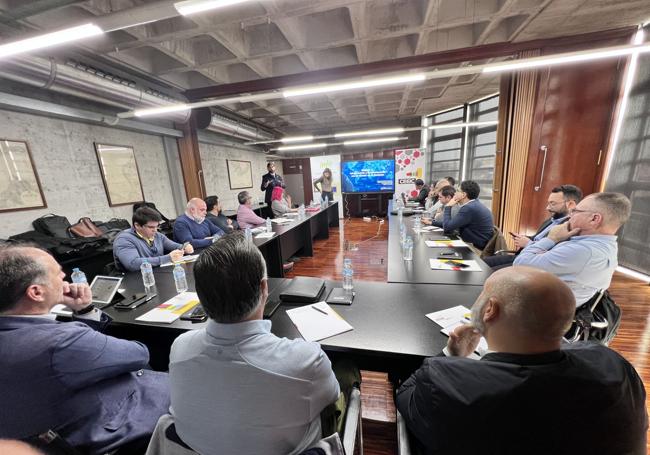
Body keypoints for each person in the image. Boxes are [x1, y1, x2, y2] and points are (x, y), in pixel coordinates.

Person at [396, 266, 647, 455]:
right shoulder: (615, 365)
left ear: (490, 309)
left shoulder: (450, 380)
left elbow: (405, 392)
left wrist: (451, 355)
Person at [168, 234, 341, 454]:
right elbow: (332, 396)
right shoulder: (306, 360)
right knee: (347, 372)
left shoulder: (179, 348)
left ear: (200, 298)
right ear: (264, 288)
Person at [0, 245, 170, 453]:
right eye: (59, 275)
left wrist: (84, 310)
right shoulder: (61, 342)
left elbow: (72, 359)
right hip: (115, 429)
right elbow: (139, 354)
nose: (66, 279)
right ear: (36, 292)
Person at [514, 192, 631, 306]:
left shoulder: (584, 251)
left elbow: (519, 264)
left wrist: (551, 239)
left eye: (575, 211)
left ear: (594, 219)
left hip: (534, 311)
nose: (569, 215)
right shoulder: (603, 246)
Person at [484, 184, 582, 268]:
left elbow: (551, 255)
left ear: (570, 204)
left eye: (553, 204)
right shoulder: (552, 220)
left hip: (533, 265)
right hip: (521, 256)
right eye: (549, 203)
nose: (547, 208)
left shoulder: (570, 228)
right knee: (482, 263)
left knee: (488, 273)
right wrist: (524, 238)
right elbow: (537, 238)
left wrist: (528, 243)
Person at [113, 207, 194, 272]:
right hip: (136, 280)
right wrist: (168, 258)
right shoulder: (124, 239)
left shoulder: (157, 235)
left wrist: (184, 247)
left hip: (158, 274)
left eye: (157, 226)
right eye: (151, 227)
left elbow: (175, 246)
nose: (155, 230)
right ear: (137, 225)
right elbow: (133, 264)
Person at [431, 180, 493, 250]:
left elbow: (447, 227)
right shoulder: (474, 204)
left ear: (463, 195)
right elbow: (452, 224)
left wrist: (448, 206)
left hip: (474, 248)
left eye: (457, 191)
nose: (454, 193)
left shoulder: (469, 208)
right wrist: (432, 222)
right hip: (475, 243)